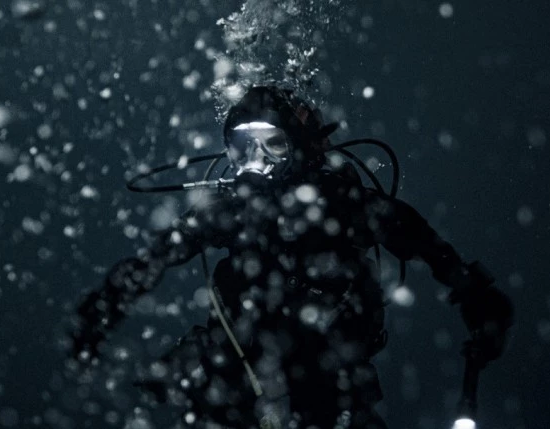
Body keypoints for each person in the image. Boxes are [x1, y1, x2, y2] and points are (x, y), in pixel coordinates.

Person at [72, 86, 513, 429]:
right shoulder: (229, 211)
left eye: (273, 145)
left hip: (327, 377)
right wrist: (104, 306)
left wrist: (477, 296)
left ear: (300, 147)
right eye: (242, 147)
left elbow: (421, 240)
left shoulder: (341, 205)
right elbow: (156, 257)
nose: (256, 160)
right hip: (238, 371)